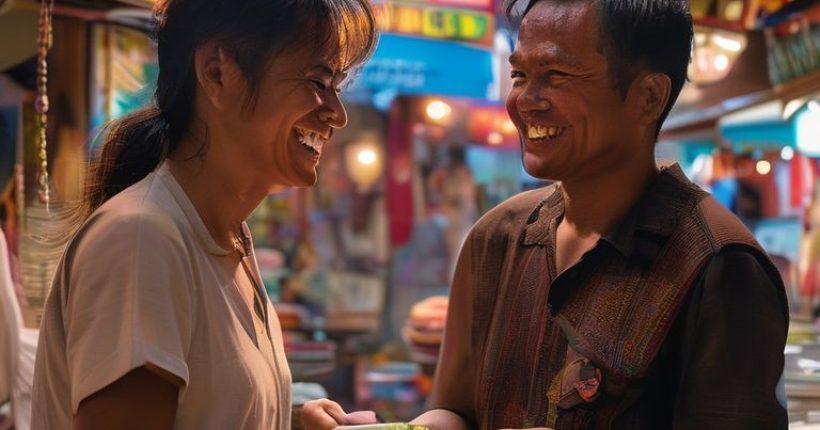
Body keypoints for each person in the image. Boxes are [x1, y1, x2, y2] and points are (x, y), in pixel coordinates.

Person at [304, 0, 790, 429]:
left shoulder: (719, 264)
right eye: (519, 75)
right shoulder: (497, 239)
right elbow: (457, 410)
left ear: (647, 97)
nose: (524, 101)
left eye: (555, 76)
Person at [30, 0, 377, 428]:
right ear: (217, 71)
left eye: (336, 87)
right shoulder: (142, 239)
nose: (336, 116)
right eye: (318, 81)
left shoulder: (228, 242)